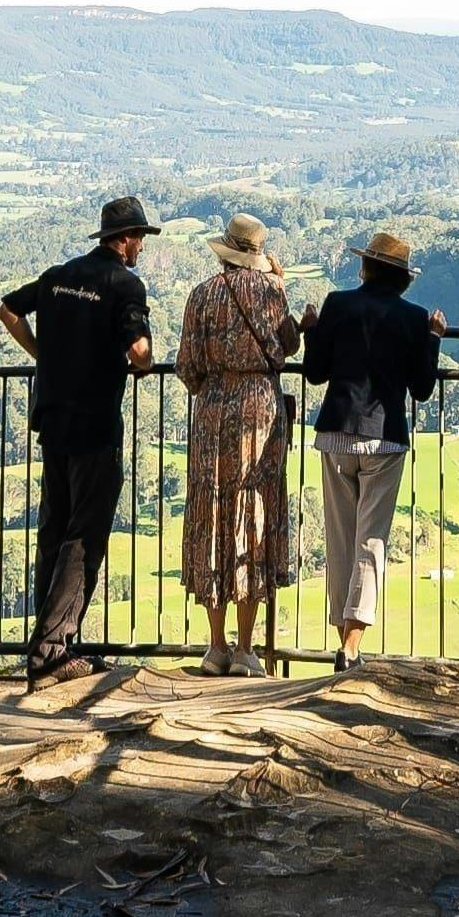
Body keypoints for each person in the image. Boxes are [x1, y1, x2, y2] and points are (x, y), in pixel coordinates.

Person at [0, 192, 163, 677]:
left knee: (54, 530)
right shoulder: (124, 284)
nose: (141, 248)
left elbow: (7, 310)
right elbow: (140, 352)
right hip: (95, 425)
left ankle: (48, 642)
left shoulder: (58, 277)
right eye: (140, 240)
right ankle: (51, 652)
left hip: (53, 422)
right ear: (127, 240)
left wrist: (42, 354)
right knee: (84, 538)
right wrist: (145, 362)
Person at [294, 226, 445, 658]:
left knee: (339, 539)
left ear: (365, 267)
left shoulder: (338, 304)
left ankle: (343, 635)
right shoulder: (415, 318)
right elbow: (420, 388)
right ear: (402, 278)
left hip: (336, 433)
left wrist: (311, 331)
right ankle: (353, 641)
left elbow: (316, 372)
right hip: (384, 439)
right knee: (371, 540)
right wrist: (433, 338)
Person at [174, 212, 301, 668]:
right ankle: (247, 648)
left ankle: (215, 645)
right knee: (254, 514)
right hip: (258, 411)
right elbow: (287, 348)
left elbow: (186, 365)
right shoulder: (272, 292)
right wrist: (280, 285)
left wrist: (215, 391)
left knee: (213, 514)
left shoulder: (201, 296)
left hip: (212, 410)